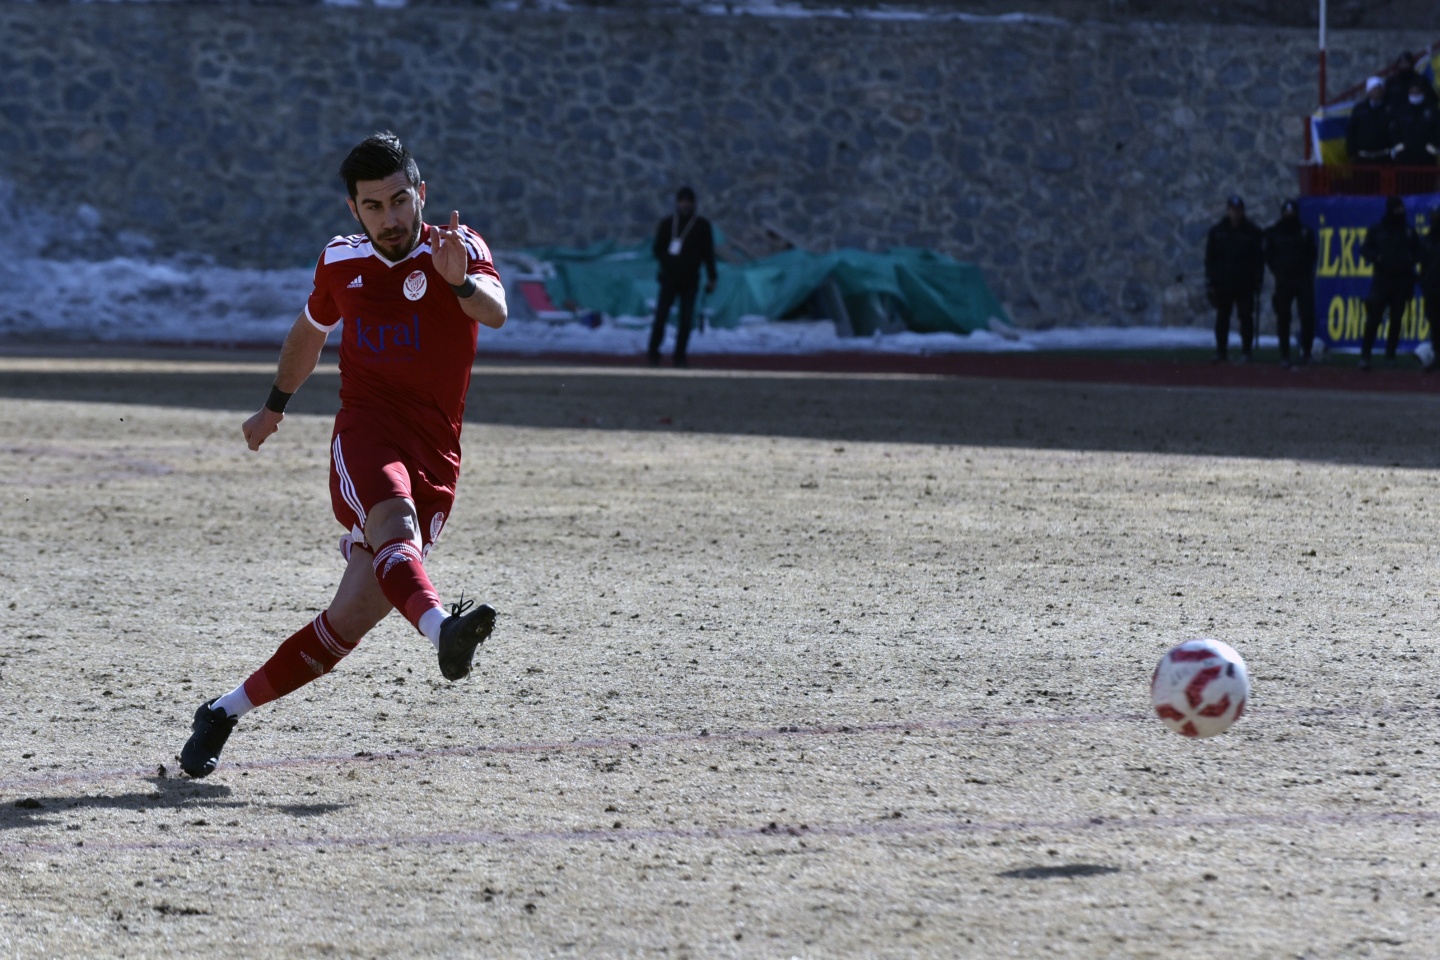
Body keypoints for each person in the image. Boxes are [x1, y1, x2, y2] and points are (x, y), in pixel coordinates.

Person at [179, 132, 509, 778]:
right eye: (374, 206)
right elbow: (309, 330)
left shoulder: (458, 251)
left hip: (436, 455)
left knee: (346, 623)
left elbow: (494, 312)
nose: (391, 218)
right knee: (394, 523)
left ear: (422, 194)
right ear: (354, 211)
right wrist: (274, 405)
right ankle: (444, 631)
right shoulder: (341, 263)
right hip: (366, 433)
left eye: (399, 200)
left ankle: (221, 712)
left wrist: (460, 282)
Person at [647, 186, 717, 368]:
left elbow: (708, 253)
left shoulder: (702, 226)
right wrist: (667, 261)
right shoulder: (668, 224)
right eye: (682, 201)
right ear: (678, 203)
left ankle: (680, 355)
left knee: (686, 319)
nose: (685, 205)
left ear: (694, 204)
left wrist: (712, 276)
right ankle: (653, 353)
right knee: (661, 316)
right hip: (669, 277)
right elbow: (657, 248)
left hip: (690, 279)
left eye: (689, 201)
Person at [1358, 195, 1420, 369]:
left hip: (1401, 281)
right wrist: (1377, 257)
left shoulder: (1408, 231)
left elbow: (1418, 252)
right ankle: (1365, 355)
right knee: (1374, 319)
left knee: (1396, 320)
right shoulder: (1378, 230)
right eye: (1396, 210)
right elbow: (1364, 249)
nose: (1399, 213)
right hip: (1382, 280)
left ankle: (1390, 355)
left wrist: (1409, 260)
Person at [1204, 195, 1265, 363]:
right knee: (1222, 317)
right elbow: (1210, 259)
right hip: (1223, 282)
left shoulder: (1252, 232)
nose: (1235, 213)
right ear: (1228, 210)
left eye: (1238, 210)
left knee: (1246, 318)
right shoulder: (1218, 232)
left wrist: (1258, 280)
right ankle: (1221, 351)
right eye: (1233, 210)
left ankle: (1246, 351)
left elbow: (1258, 259)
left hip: (1245, 283)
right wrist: (1210, 280)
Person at [1264, 199, 1318, 366]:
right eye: (1286, 213)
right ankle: (1284, 355)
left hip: (1302, 280)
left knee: (1307, 317)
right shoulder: (1274, 233)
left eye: (1292, 213)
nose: (1289, 216)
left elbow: (1313, 254)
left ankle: (1307, 352)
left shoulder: (1305, 232)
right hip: (1284, 280)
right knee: (1283, 318)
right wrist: (1279, 271)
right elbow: (1269, 256)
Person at [1389, 80, 1440, 167]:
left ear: (1422, 92)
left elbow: (1437, 129)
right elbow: (1394, 129)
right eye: (1412, 91)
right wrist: (1400, 147)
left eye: (1417, 91)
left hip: (1426, 157)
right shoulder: (1401, 109)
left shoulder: (1431, 109)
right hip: (1405, 156)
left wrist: (1432, 148)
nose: (1415, 94)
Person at [1348, 78, 1394, 165]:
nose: (1376, 92)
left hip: (1384, 158)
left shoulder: (1389, 109)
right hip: (1363, 158)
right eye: (1374, 89)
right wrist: (1351, 152)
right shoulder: (1359, 109)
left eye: (1378, 89)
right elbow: (1351, 131)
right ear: (1369, 91)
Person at [1419, 206, 1440, 371]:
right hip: (1432, 289)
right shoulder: (1427, 239)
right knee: (1435, 324)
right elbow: (1422, 264)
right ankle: (1437, 356)